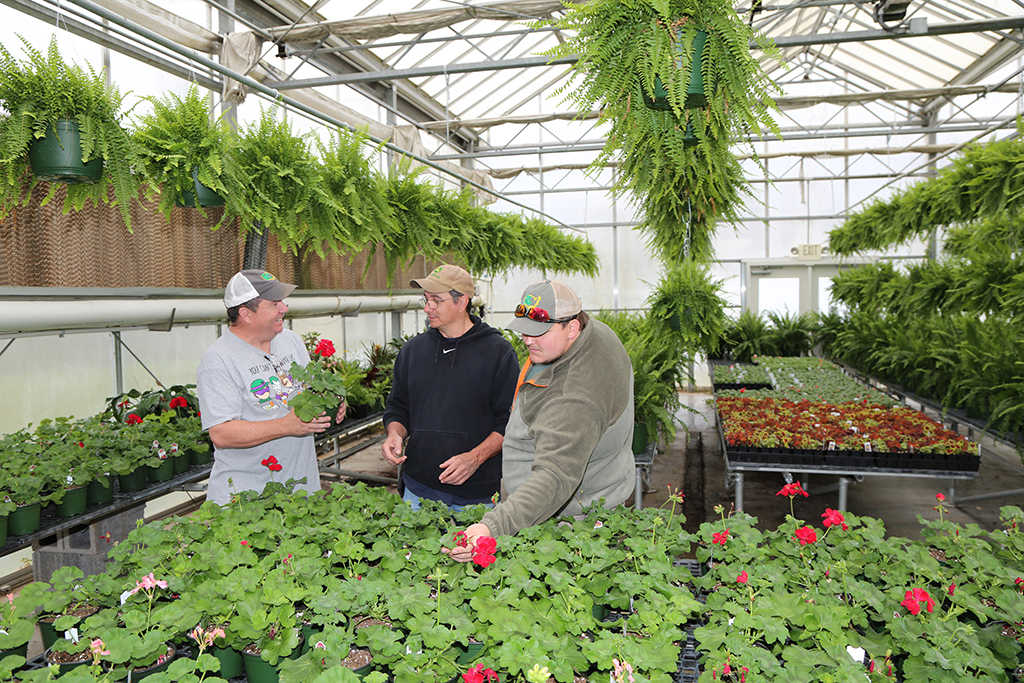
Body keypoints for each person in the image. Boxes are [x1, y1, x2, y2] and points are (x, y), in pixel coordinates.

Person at [445, 280, 635, 559]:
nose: (527, 340)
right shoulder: (594, 334)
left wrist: (492, 527)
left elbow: (555, 476)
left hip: (569, 522)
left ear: (572, 327)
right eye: (524, 329)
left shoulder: (575, 396)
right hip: (598, 489)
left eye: (540, 332)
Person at [196, 269, 346, 505]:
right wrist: (286, 426)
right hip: (249, 501)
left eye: (282, 301)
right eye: (274, 303)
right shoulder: (219, 360)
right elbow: (221, 434)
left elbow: (310, 389)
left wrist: (329, 400)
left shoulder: (290, 341)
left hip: (300, 490)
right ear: (246, 313)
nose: (284, 308)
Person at [381, 264, 520, 509]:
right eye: (425, 300)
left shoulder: (497, 353)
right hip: (417, 489)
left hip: (476, 497)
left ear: (462, 301)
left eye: (436, 300)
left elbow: (510, 421)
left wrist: (474, 458)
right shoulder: (413, 351)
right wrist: (395, 433)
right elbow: (398, 406)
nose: (427, 308)